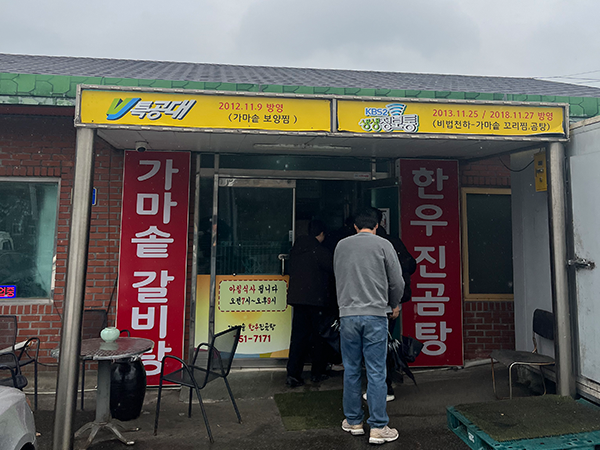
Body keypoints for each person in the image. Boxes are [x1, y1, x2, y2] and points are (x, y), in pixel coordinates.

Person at [334, 208, 404, 445]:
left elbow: (338, 277)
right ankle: (378, 426)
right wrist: (393, 303)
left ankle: (354, 421)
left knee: (351, 369)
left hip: (348, 315)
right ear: (377, 226)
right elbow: (397, 282)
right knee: (376, 371)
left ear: (355, 227)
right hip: (375, 315)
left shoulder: (341, 246)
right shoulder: (384, 245)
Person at [286, 219, 336, 387]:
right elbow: (333, 269)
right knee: (318, 337)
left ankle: (293, 374)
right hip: (317, 301)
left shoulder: (296, 250)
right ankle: (317, 372)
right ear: (321, 234)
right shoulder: (320, 251)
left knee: (298, 337)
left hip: (298, 300)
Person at [375, 209, 417, 401]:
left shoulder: (372, 245)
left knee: (375, 345)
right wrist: (396, 302)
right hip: (390, 302)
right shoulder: (393, 242)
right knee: (385, 342)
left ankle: (382, 386)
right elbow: (410, 265)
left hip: (373, 303)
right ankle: (387, 383)